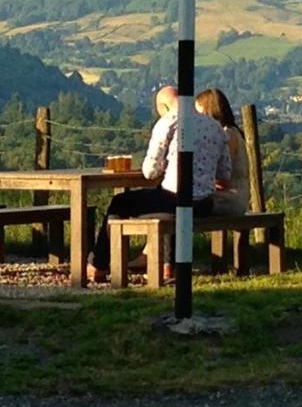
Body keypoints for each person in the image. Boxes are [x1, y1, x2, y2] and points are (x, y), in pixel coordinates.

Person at [87, 85, 231, 283]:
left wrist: (165, 166)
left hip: (174, 202)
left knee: (120, 202)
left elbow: (149, 171)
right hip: (204, 205)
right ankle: (167, 265)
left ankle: (98, 265)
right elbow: (225, 174)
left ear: (163, 106)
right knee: (163, 201)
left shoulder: (169, 122)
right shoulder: (214, 126)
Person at [197, 87, 250, 215]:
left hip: (230, 199)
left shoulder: (228, 134)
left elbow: (224, 172)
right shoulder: (229, 132)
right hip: (227, 196)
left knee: (187, 205)